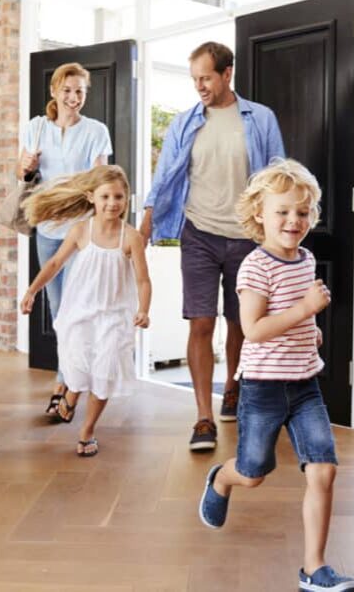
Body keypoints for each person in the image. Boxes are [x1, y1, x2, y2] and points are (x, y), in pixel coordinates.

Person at [198, 159, 354, 592]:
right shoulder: (255, 267)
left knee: (323, 470)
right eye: (283, 211)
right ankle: (222, 478)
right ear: (259, 215)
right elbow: (253, 329)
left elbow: (289, 318)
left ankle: (314, 568)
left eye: (302, 212)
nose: (294, 221)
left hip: (305, 387)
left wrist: (311, 330)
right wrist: (305, 310)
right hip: (263, 390)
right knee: (253, 472)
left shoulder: (305, 259)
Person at [140, 41, 285, 452]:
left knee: (241, 323)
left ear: (227, 73)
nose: (200, 86)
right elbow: (165, 174)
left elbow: (277, 175)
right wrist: (148, 219)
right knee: (200, 322)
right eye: (194, 79)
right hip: (199, 233)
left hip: (247, 238)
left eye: (206, 77)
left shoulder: (260, 119)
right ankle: (203, 416)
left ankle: (234, 387)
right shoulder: (185, 122)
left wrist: (279, 230)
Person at [20, 165, 151, 457]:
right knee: (77, 364)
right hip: (80, 312)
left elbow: (143, 279)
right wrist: (32, 290)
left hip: (115, 316)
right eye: (105, 196)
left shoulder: (131, 237)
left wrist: (144, 309)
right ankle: (70, 395)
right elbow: (54, 264)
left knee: (104, 373)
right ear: (91, 197)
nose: (112, 203)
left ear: (126, 199)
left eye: (118, 197)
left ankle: (87, 431)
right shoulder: (81, 231)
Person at [17, 62, 113, 423]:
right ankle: (69, 378)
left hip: (79, 232)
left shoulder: (96, 131)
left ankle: (66, 384)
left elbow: (100, 179)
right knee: (59, 313)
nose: (74, 98)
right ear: (55, 91)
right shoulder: (35, 127)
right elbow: (21, 173)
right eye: (68, 90)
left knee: (77, 311)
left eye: (80, 92)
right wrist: (27, 165)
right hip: (46, 229)